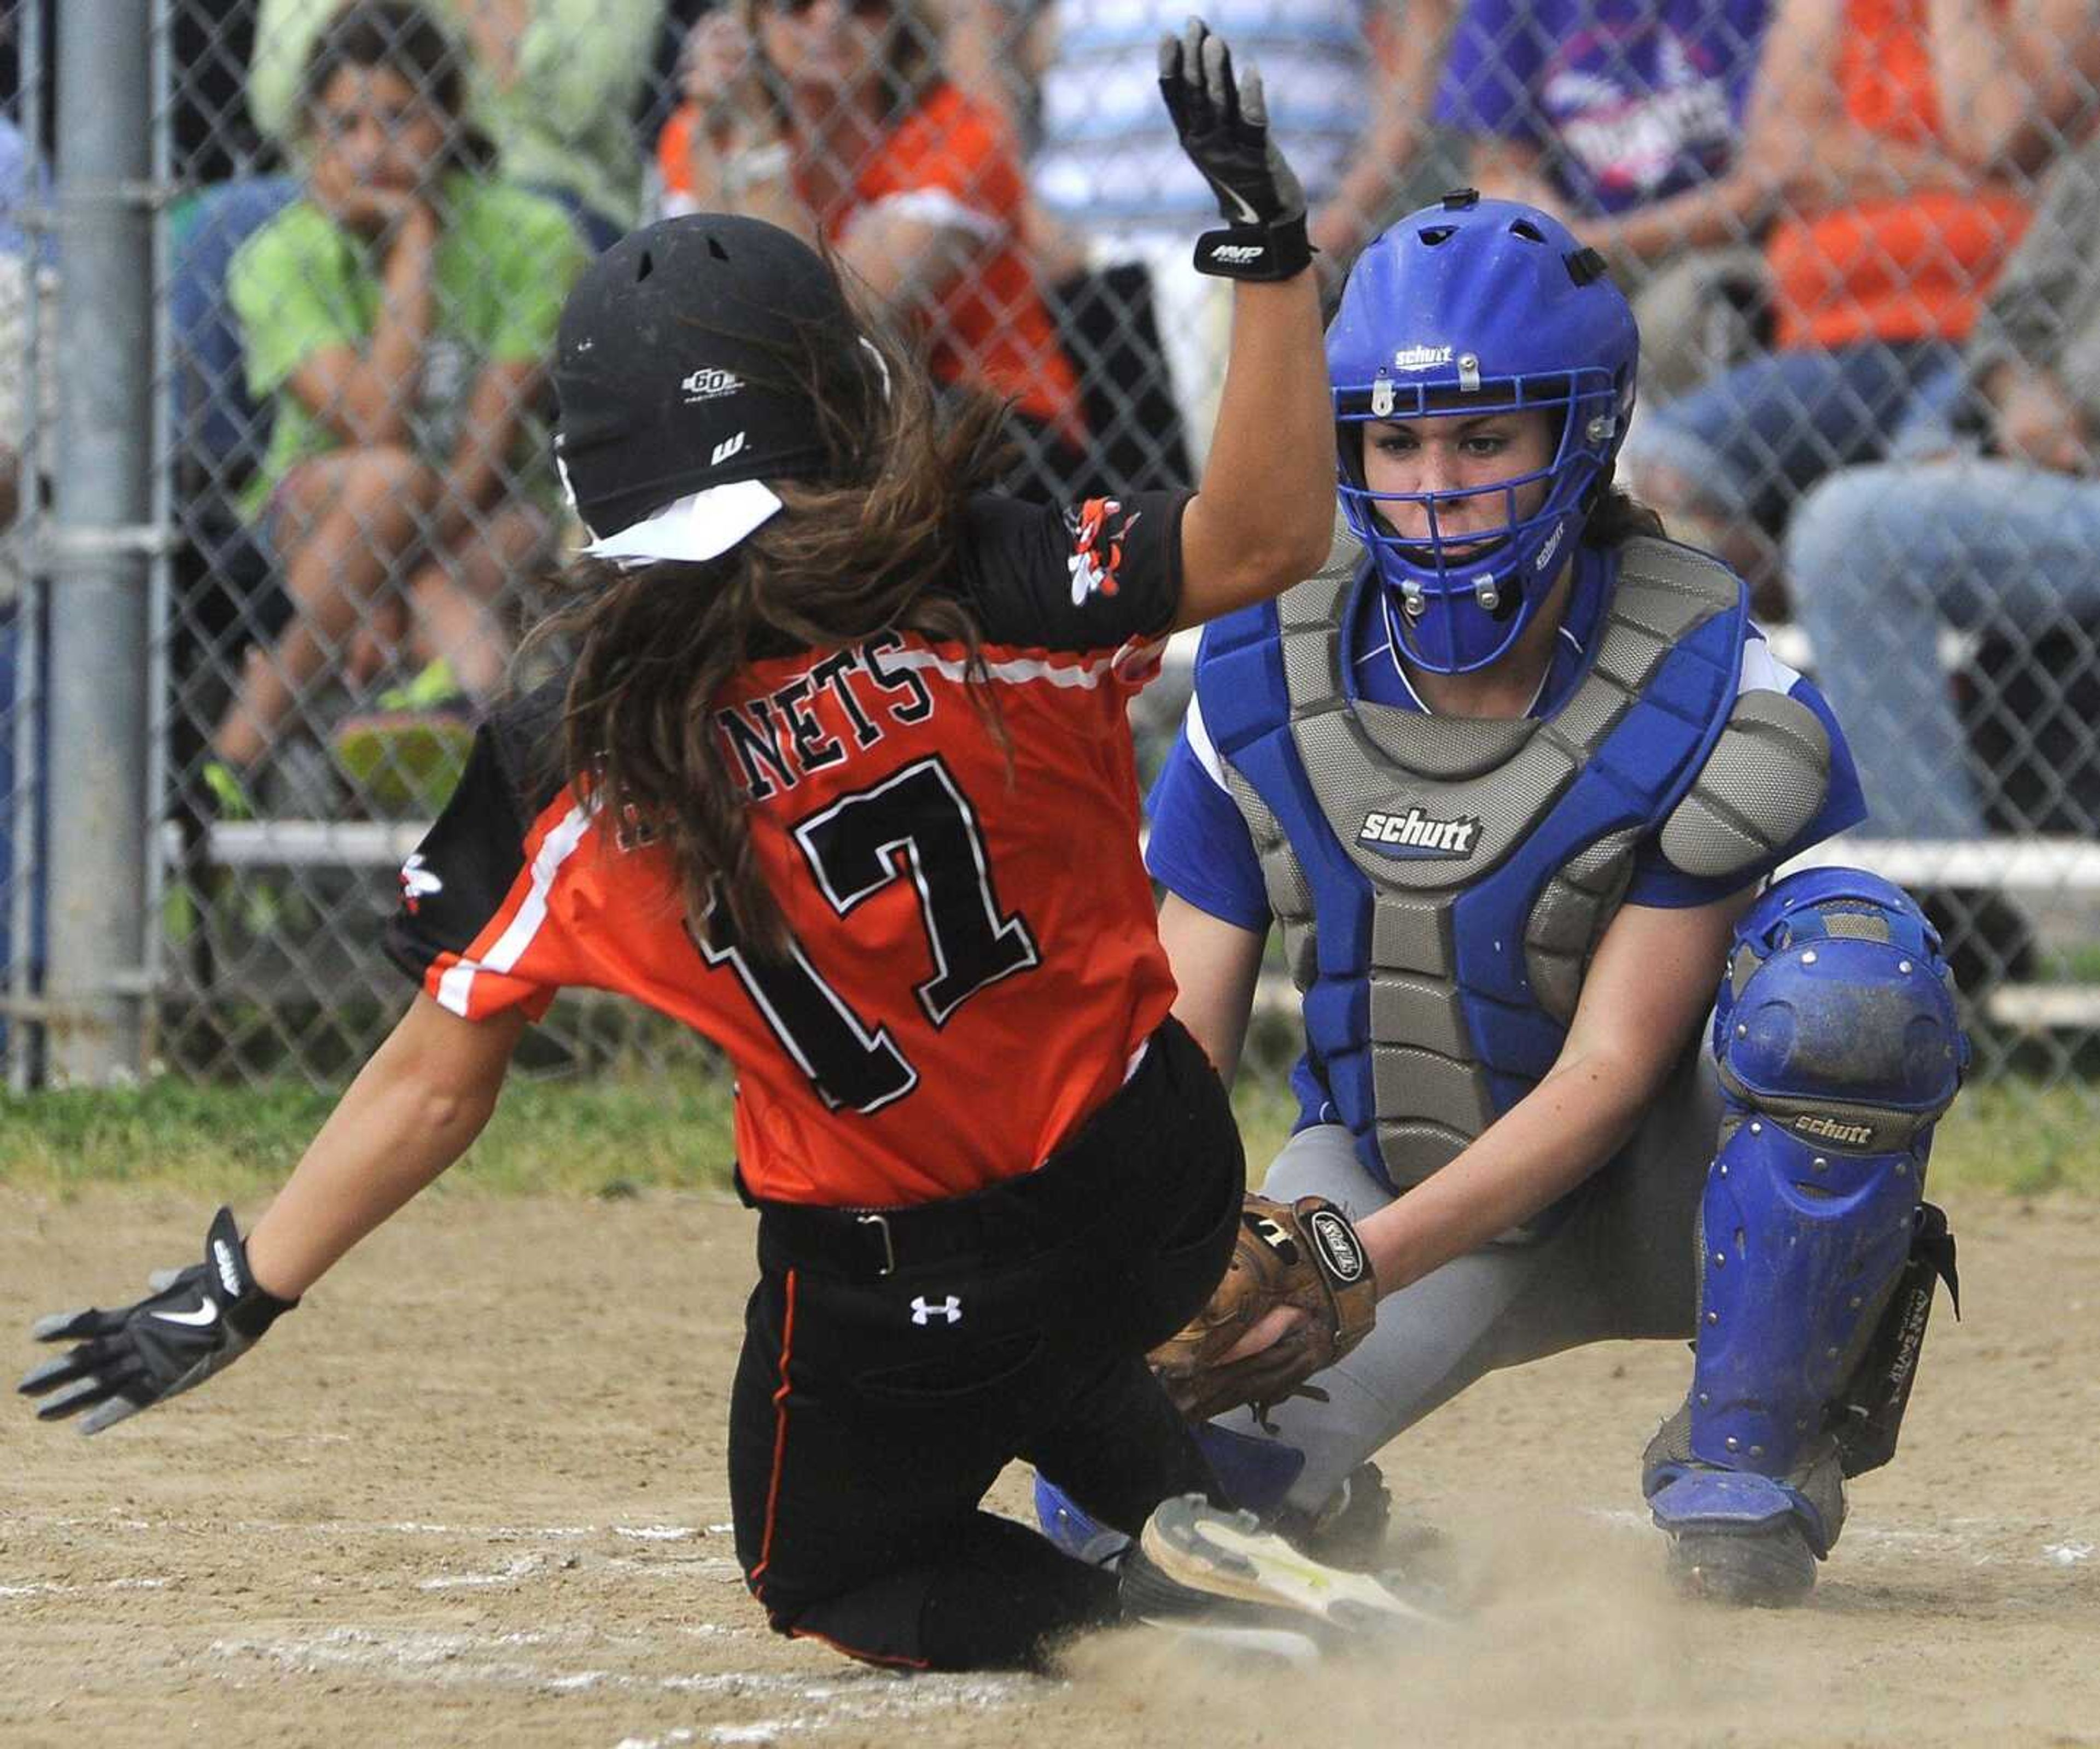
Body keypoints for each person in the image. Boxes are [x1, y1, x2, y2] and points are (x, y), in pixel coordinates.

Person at [19, 24, 1420, 1672]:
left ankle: (1157, 1598)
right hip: (1157, 1177)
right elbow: (1268, 531)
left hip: (908, 1270)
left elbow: (435, 1074)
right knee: (1051, 1299)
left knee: (829, 1564)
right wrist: (1264, 258)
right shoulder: (974, 567)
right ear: (839, 397)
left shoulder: (582, 736)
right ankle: (1211, 1508)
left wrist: (242, 1286)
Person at [1037, 191, 1969, 1606]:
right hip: (1397, 1163)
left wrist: (1354, 1264)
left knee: (1851, 989)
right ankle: (1320, 1489)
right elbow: (1180, 1038)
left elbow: (1606, 1073)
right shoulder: (1265, 660)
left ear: (1582, 433)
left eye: (1486, 437)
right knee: (1115, 1519)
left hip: (1663, 1190)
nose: (1437, 482)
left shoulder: (1698, 665)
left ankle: (1754, 1452)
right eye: (1398, 439)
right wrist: (1151, 1265)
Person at [208, 2, 590, 815]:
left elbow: (483, 461)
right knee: (385, 481)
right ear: (312, 139)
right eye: (346, 124)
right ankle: (470, 734)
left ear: (451, 118)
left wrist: (381, 579)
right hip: (312, 519)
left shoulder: (533, 237)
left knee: (500, 533)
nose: (373, 148)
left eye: (399, 117)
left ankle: (230, 768)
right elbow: (376, 426)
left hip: (477, 514)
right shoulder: (280, 253)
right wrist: (417, 245)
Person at [1619, 0, 2100, 608]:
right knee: (1662, 469)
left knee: (1930, 482)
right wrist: (1960, 177)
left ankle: (1856, 577)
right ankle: (1807, 591)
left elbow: (2000, 131)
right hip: (1836, 340)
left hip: (1981, 329)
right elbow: (1783, 155)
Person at [1784, 133, 2100, 992]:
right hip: (2058, 482)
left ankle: (1936, 910)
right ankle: (1946, 915)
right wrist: (2018, 391)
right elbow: (2012, 321)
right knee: (1852, 529)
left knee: (1859, 521)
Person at [653, 0, 1087, 491]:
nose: (831, 20)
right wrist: (720, 151)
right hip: (814, 419)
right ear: (754, 18)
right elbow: (704, 312)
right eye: (797, 5)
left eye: (865, 6)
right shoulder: (703, 128)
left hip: (986, 421)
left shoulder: (958, 132)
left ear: (903, 19)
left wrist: (755, 148)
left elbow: (822, 322)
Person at [1431, 0, 1780, 401]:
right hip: (1574, 248)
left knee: (1673, 321)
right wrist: (1553, 236)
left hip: (1720, 244)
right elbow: (1500, 167)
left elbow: (1761, 186)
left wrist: (1591, 244)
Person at [248, 0, 662, 252]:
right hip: (339, 178)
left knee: (545, 232)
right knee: (224, 222)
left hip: (541, 183)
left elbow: (579, 109)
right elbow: (273, 104)